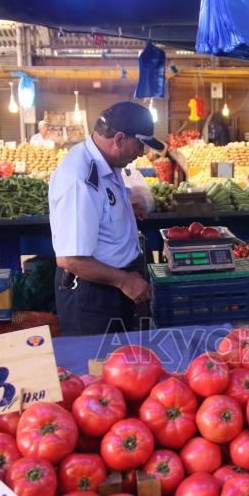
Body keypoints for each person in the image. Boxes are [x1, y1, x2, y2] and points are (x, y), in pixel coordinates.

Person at [49, 102, 163, 336]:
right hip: (92, 299)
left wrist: (125, 204)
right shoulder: (79, 180)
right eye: (140, 145)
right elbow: (71, 259)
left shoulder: (107, 162)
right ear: (119, 138)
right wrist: (124, 281)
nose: (141, 153)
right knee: (96, 366)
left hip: (111, 289)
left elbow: (101, 201)